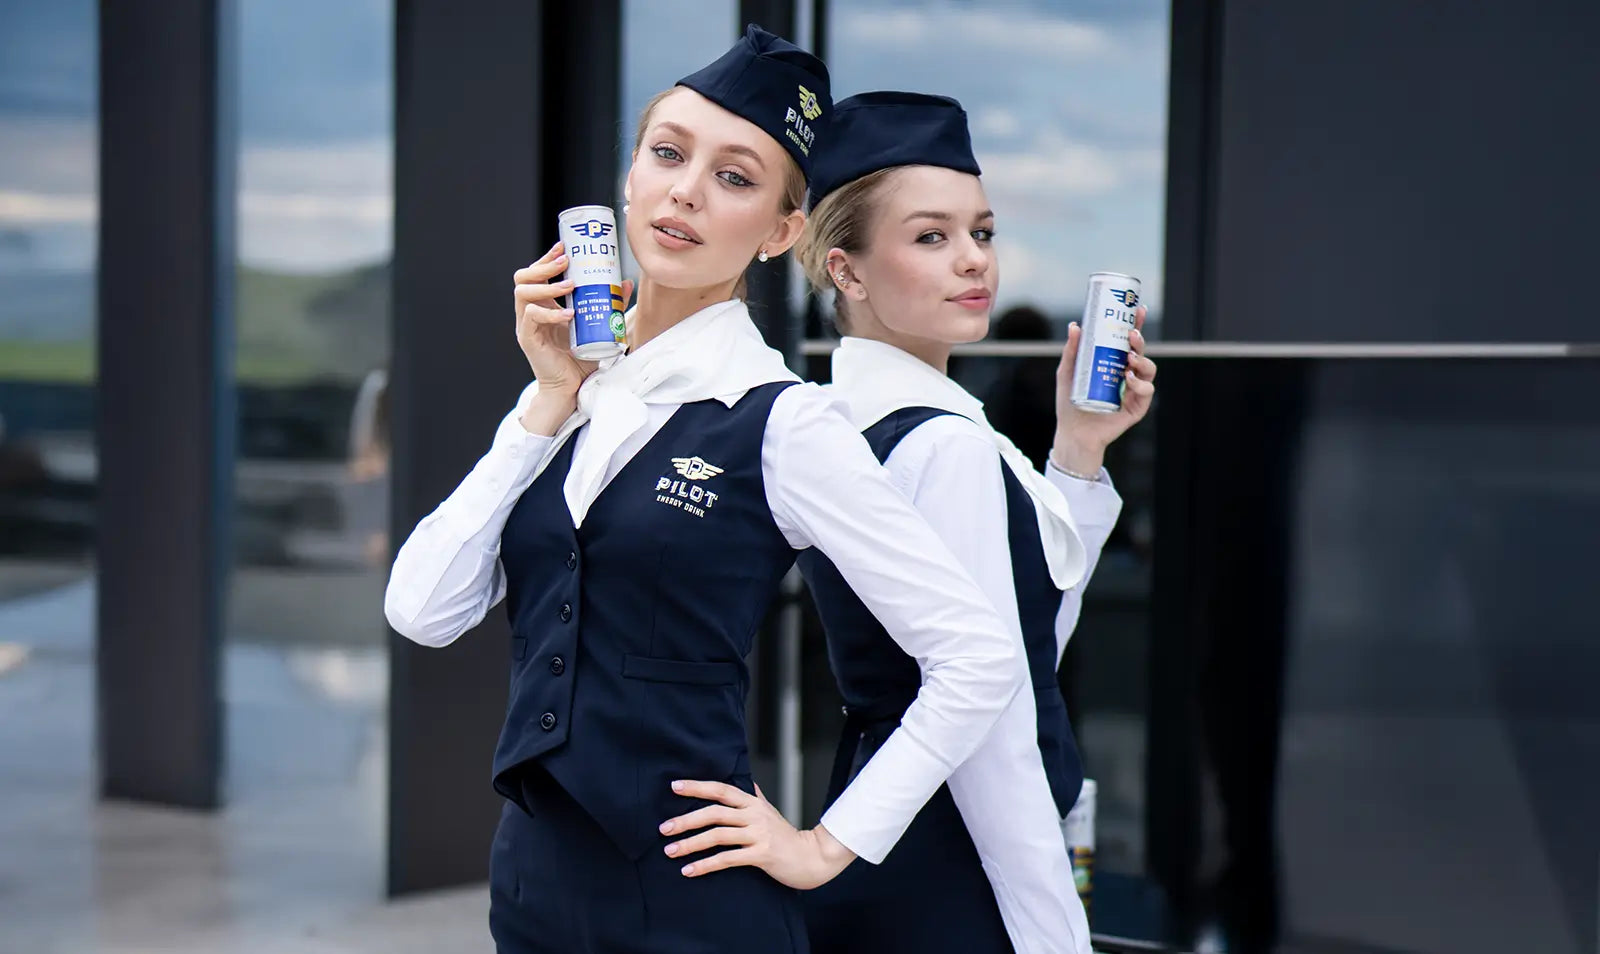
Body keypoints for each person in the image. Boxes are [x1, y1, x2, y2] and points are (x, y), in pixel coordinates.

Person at [384, 30, 1029, 954]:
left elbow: (977, 659)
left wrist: (825, 845)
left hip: (693, 908)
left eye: (736, 176)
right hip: (530, 890)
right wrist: (545, 399)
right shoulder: (572, 392)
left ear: (779, 232)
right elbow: (423, 609)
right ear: (630, 181)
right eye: (669, 153)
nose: (686, 188)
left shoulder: (784, 423)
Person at [792, 92, 1157, 954]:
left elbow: (1024, 638)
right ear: (845, 270)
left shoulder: (846, 421)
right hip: (957, 864)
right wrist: (1055, 935)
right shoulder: (942, 442)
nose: (972, 262)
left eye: (981, 233)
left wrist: (1079, 448)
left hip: (890, 838)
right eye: (931, 236)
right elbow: (995, 731)